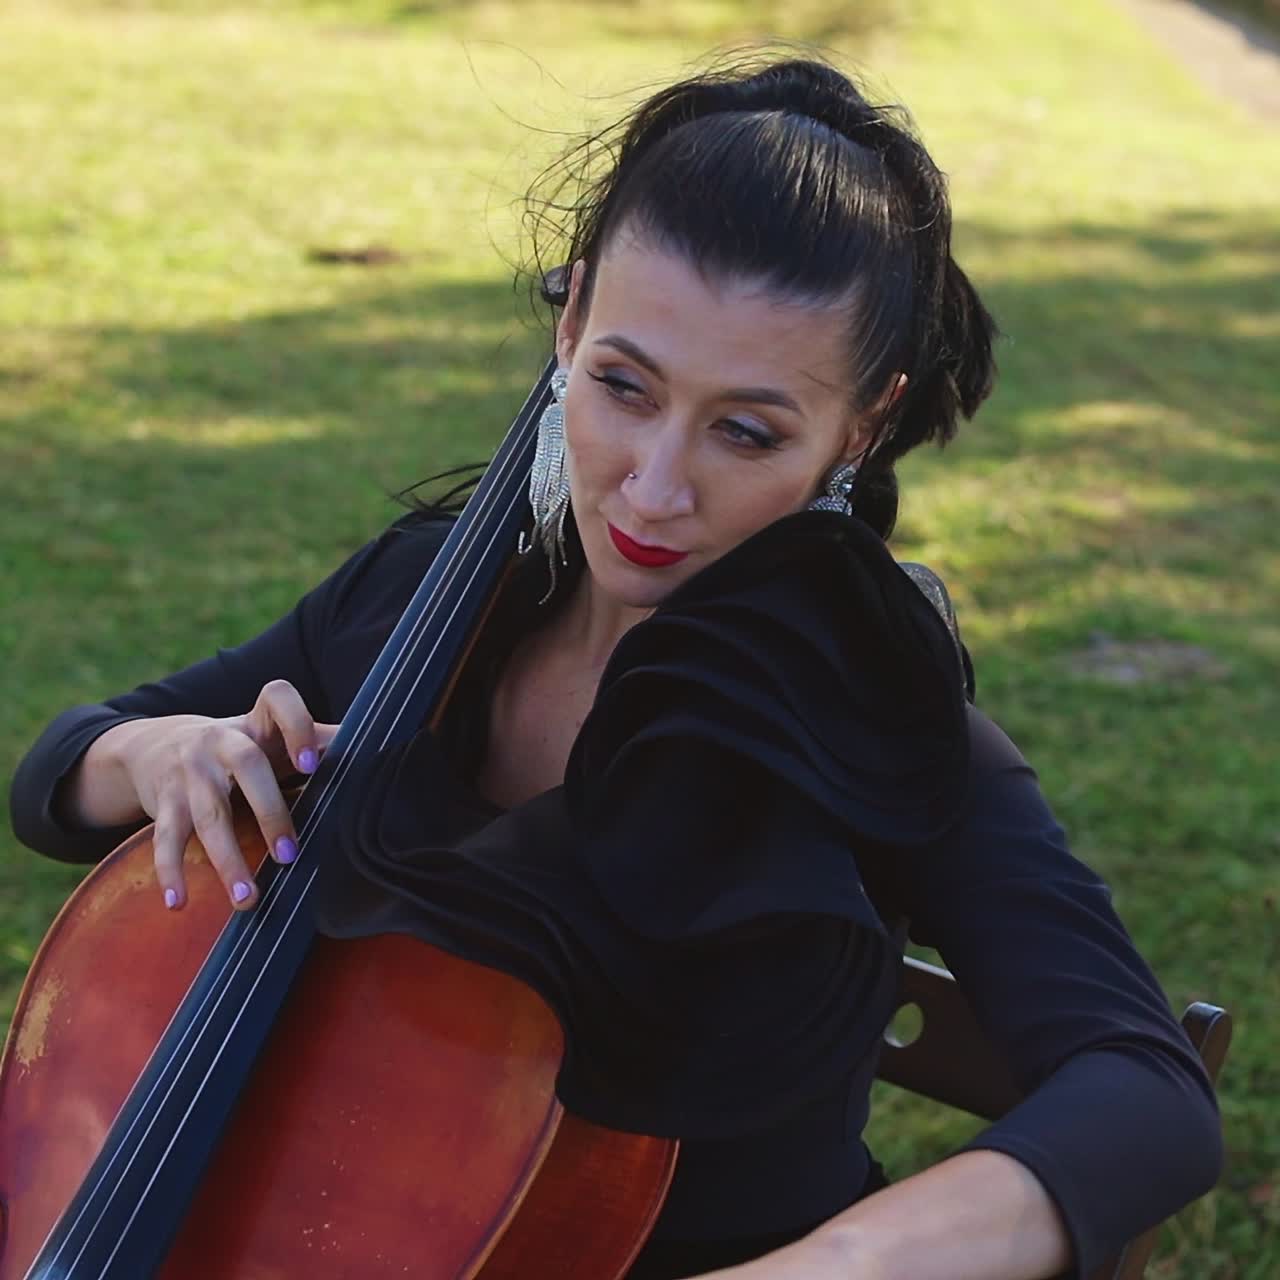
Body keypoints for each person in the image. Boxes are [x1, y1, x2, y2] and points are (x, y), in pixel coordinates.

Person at [10, 53, 1222, 1280]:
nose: (652, 487)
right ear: (571, 316)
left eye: (744, 431)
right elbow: (57, 777)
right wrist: (161, 752)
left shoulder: (872, 724)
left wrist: (834, 1262)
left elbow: (1146, 1095)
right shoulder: (421, 605)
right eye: (621, 386)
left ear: (859, 427)